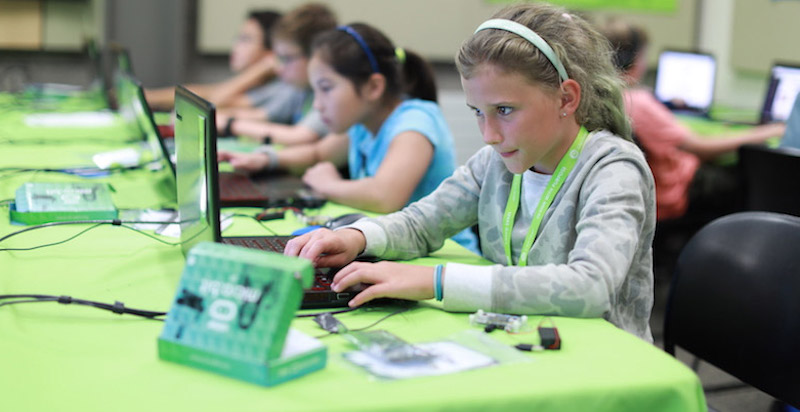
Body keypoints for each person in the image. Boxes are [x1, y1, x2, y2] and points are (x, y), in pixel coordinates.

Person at [282, 3, 657, 341]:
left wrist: (436, 280)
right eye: (477, 112)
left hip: (602, 357)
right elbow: (421, 223)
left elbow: (590, 286)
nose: (489, 135)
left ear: (566, 98)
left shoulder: (613, 168)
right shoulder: (497, 161)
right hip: (523, 340)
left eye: (505, 110)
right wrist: (356, 237)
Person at [219, 22, 479, 253]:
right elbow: (317, 154)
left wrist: (328, 184)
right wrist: (266, 160)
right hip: (398, 247)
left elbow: (385, 196)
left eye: (326, 89)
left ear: (374, 87)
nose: (318, 106)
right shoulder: (362, 123)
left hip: (447, 254)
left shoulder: (415, 121)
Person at [600, 18, 786, 222]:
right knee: (745, 177)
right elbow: (703, 147)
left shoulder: (607, 96)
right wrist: (767, 132)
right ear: (633, 59)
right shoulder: (640, 102)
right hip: (677, 192)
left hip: (647, 193)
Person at [217, 3, 336, 145]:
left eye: (287, 59)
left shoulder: (329, 93)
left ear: (314, 56)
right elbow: (261, 115)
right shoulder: (299, 90)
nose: (279, 68)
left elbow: (298, 136)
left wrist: (230, 124)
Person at [145, 10, 292, 112]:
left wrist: (263, 66)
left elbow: (215, 100)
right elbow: (207, 92)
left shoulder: (279, 87)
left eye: (245, 40)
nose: (235, 47)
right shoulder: (257, 84)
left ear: (272, 50)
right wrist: (150, 97)